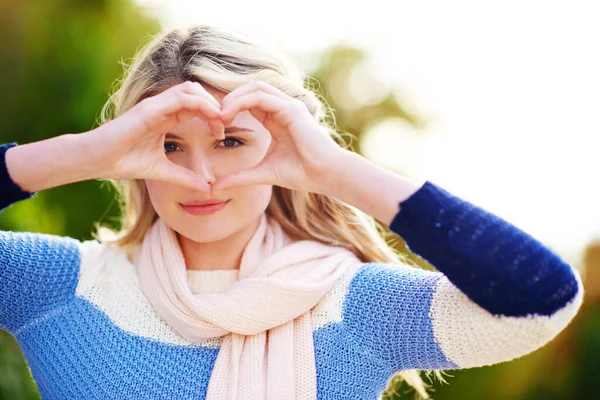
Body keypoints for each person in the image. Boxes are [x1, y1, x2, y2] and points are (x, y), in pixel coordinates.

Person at [0, 24, 583, 400]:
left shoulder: (352, 305)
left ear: (280, 145)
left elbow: (541, 300)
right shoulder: (60, 284)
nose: (201, 175)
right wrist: (79, 153)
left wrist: (335, 171)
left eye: (231, 142)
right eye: (169, 145)